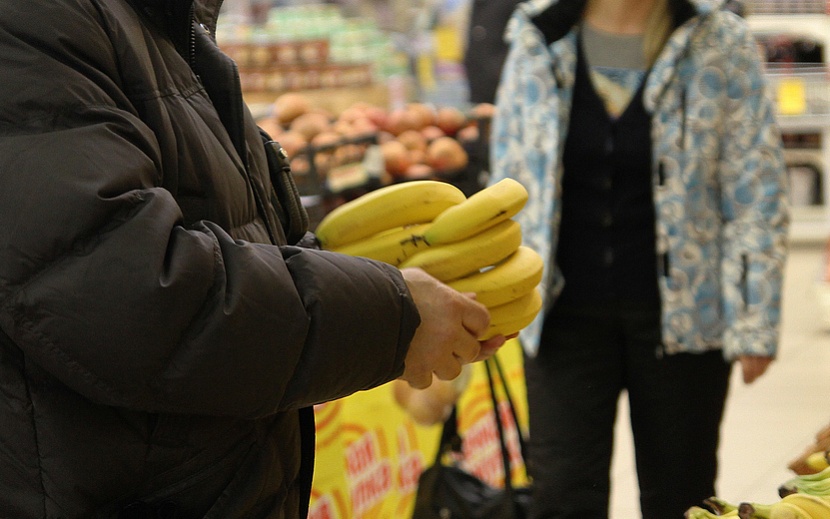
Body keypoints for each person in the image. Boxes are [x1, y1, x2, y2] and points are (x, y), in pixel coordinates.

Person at [0, 0, 509, 517]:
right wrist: (389, 321)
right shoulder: (36, 19)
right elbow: (118, 288)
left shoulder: (160, 25)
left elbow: (225, 232)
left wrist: (368, 289)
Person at [488, 0, 789, 517]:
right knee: (562, 497)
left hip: (685, 320)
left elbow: (755, 189)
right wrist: (497, 293)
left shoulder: (719, 42)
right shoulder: (540, 38)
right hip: (561, 317)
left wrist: (755, 320)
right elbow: (510, 175)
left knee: (681, 494)